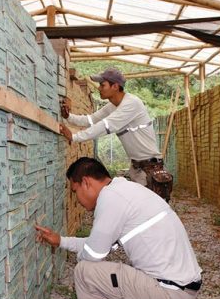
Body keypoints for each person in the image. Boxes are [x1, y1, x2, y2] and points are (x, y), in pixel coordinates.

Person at [35, 157, 204, 299]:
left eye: (75, 191)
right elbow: (100, 244)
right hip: (184, 288)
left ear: (86, 182)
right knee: (110, 284)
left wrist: (82, 254)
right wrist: (60, 241)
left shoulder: (111, 199)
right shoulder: (125, 192)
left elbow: (94, 255)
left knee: (85, 272)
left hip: (169, 293)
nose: (77, 199)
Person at [60, 67, 173, 201]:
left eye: (102, 85)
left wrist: (74, 137)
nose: (99, 88)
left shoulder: (131, 104)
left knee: (149, 210)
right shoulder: (112, 106)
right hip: (137, 168)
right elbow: (91, 120)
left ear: (115, 86)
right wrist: (68, 117)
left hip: (150, 169)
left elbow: (106, 125)